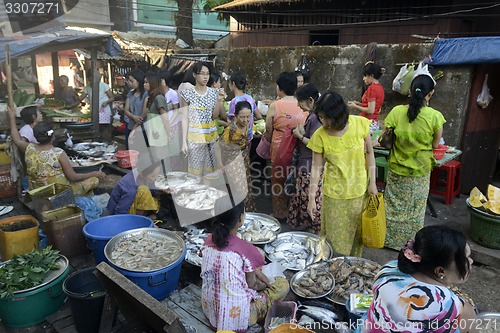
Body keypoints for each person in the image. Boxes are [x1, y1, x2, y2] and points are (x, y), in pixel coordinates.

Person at [357, 225, 477, 333]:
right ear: (440, 271)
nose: (471, 262)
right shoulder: (449, 305)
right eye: (466, 258)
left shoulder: (390, 268)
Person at [201, 198, 289, 332]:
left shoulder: (208, 241)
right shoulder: (246, 250)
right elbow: (252, 285)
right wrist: (265, 284)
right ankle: (256, 316)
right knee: (283, 285)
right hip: (236, 320)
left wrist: (255, 272)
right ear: (240, 219)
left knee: (257, 254)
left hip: (210, 312)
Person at [307, 91, 377, 256]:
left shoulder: (360, 124)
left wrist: (372, 182)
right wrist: (311, 198)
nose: (323, 122)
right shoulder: (319, 136)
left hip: (359, 193)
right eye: (320, 117)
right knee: (335, 242)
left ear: (338, 115)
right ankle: (332, 271)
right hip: (335, 196)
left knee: (356, 238)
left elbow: (369, 154)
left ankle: (352, 270)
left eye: (326, 118)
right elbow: (316, 169)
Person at [383, 75, 446, 250]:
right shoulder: (435, 117)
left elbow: (386, 138)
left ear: (410, 92)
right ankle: (410, 244)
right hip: (420, 170)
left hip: (397, 168)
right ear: (430, 94)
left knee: (393, 206)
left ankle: (389, 241)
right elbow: (435, 145)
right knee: (415, 210)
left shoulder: (396, 112)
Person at [7, 107, 105, 196]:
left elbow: (16, 138)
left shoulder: (29, 148)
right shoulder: (58, 153)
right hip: (59, 193)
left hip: (37, 190)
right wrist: (94, 173)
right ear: (52, 137)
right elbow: (73, 177)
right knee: (94, 180)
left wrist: (11, 118)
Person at [265, 72, 307, 220]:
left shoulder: (275, 105)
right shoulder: (302, 104)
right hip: (299, 148)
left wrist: (269, 142)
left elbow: (268, 129)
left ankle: (279, 213)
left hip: (279, 148)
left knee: (278, 180)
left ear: (280, 88)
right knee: (296, 180)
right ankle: (294, 212)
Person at [180, 63, 226, 180]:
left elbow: (214, 116)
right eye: (202, 74)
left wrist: (219, 100)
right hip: (194, 139)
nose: (206, 77)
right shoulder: (187, 94)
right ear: (195, 75)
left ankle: (207, 197)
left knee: (209, 174)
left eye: (207, 74)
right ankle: (196, 197)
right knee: (195, 174)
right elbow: (184, 118)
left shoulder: (213, 93)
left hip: (211, 137)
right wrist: (183, 142)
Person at [287, 83, 323, 233]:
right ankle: (310, 229)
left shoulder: (316, 118)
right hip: (307, 164)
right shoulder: (314, 115)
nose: (299, 106)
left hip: (310, 165)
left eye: (300, 102)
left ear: (310, 100)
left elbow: (315, 145)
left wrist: (299, 135)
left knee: (310, 198)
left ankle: (313, 230)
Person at [221, 101, 255, 212]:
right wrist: (220, 165)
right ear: (235, 116)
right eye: (242, 117)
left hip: (244, 158)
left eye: (248, 117)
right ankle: (236, 213)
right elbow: (218, 147)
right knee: (236, 187)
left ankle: (246, 211)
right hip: (232, 161)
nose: (245, 120)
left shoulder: (247, 125)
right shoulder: (230, 130)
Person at [348, 62, 385, 132]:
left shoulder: (372, 89)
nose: (363, 79)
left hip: (367, 123)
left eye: (365, 76)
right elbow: (373, 106)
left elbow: (371, 110)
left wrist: (356, 107)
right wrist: (358, 103)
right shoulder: (380, 87)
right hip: (373, 123)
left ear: (371, 76)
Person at [228, 72, 262, 142]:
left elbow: (234, 124)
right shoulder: (250, 98)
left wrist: (221, 122)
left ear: (233, 84)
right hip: (249, 135)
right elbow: (259, 116)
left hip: (238, 137)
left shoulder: (234, 101)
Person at [123, 70, 147, 149]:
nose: (129, 83)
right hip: (130, 125)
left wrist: (137, 123)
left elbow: (144, 112)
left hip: (142, 127)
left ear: (139, 81)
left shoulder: (146, 94)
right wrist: (133, 117)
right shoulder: (130, 93)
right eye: (129, 81)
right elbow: (126, 110)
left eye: (132, 81)